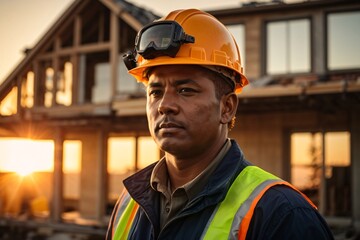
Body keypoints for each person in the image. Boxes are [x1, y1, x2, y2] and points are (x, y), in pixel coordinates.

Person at [107, 9, 334, 240]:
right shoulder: (128, 202)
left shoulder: (282, 215)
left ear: (227, 107)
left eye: (186, 90)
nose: (165, 105)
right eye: (155, 92)